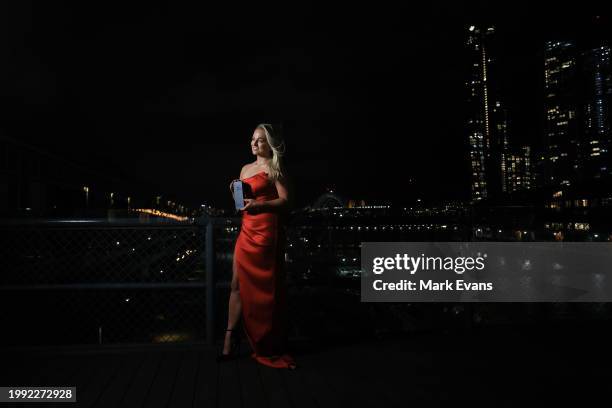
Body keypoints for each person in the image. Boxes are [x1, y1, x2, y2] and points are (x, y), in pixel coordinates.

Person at [218, 123, 297, 370]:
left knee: (265, 287)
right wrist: (236, 193)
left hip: (266, 232)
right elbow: (241, 205)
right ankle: (229, 338)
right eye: (252, 139)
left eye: (260, 140)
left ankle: (266, 343)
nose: (254, 143)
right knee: (236, 283)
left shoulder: (275, 167)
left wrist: (260, 206)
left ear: (269, 143)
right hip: (247, 229)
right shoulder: (244, 168)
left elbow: (285, 201)